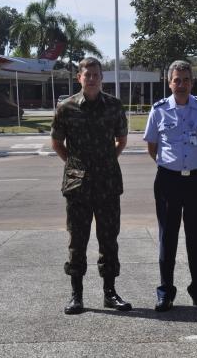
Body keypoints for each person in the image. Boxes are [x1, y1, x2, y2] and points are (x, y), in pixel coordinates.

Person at [51, 57, 132, 315]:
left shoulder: (114, 106)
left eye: (96, 74)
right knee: (78, 240)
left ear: (101, 78)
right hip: (78, 185)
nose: (92, 78)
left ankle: (110, 293)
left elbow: (121, 140)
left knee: (109, 239)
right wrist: (75, 164)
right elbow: (57, 143)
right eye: (88, 75)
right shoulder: (66, 107)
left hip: (107, 183)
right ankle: (77, 295)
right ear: (79, 78)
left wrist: (106, 161)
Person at [143, 60, 197, 312]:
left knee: (195, 237)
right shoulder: (159, 110)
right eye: (177, 80)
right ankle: (166, 292)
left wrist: (192, 163)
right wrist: (173, 166)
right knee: (168, 238)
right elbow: (153, 148)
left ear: (192, 82)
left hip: (196, 180)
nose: (182, 84)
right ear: (169, 82)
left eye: (186, 79)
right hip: (168, 180)